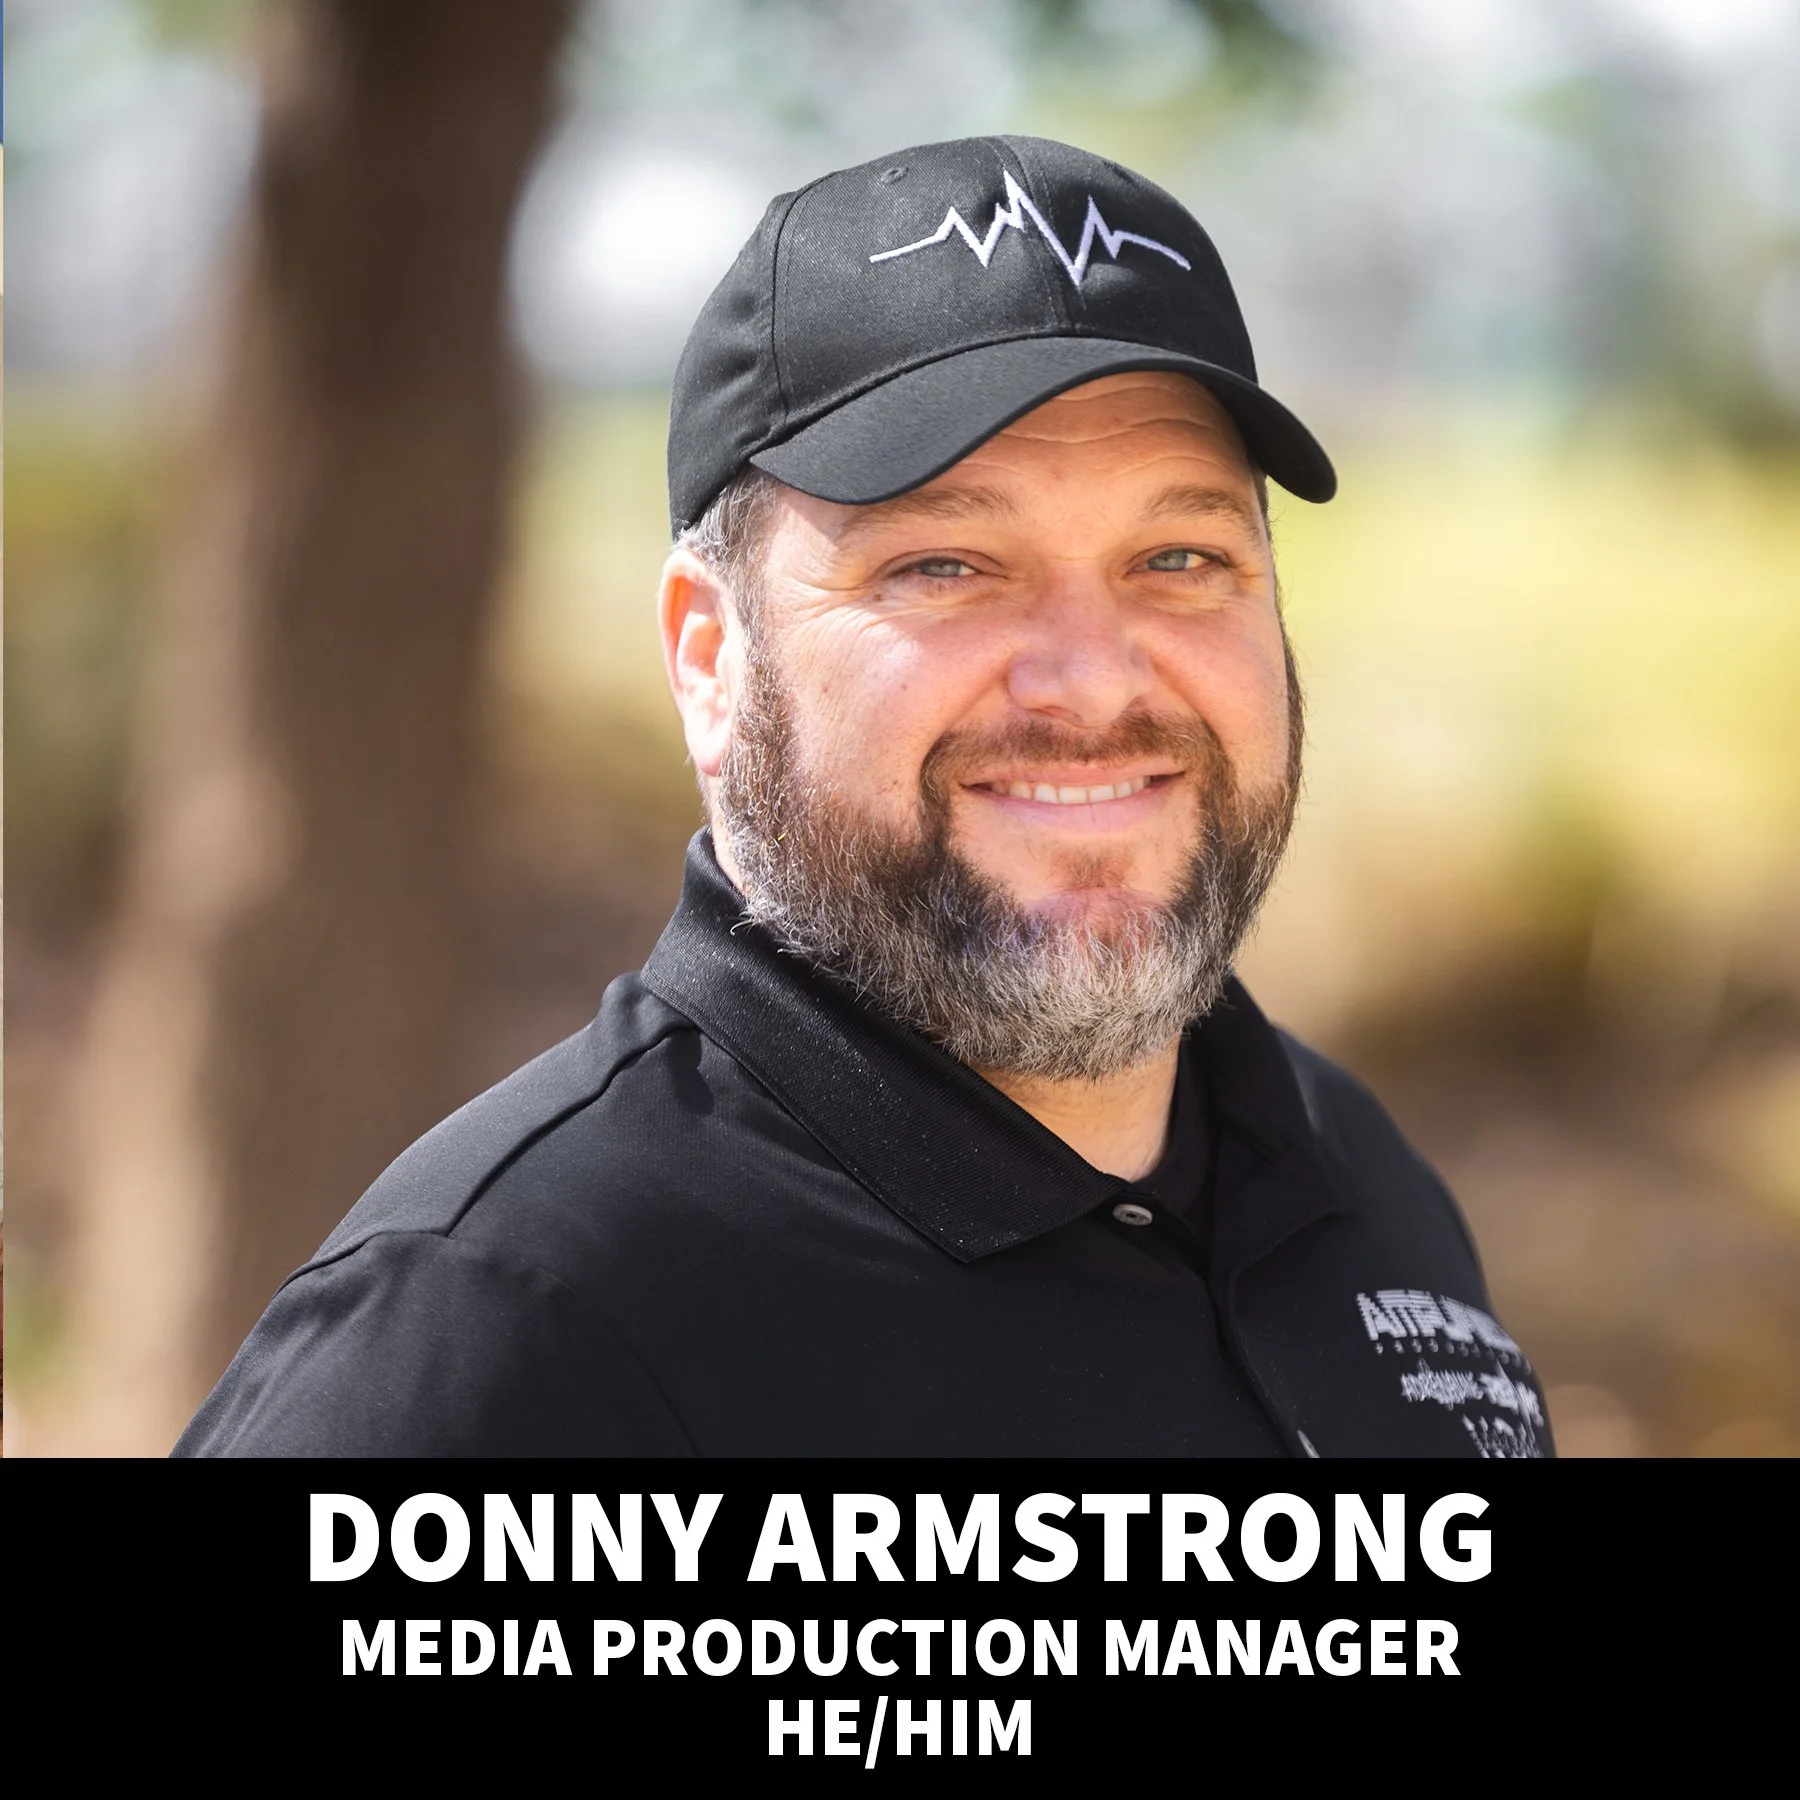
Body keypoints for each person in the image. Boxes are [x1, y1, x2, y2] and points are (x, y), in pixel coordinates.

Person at [176, 135, 1552, 1459]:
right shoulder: (500, 1330)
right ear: (712, 661)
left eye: (1181, 557)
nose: (1092, 680)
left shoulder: (1350, 1179)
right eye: (944, 566)